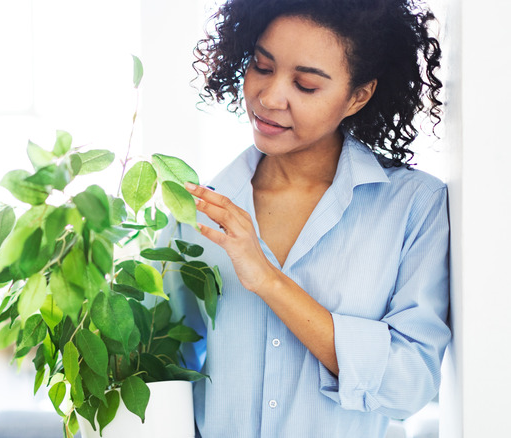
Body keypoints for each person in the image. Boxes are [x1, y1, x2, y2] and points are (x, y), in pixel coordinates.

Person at [162, 0, 450, 436]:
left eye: (306, 85)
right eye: (261, 66)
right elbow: (160, 366)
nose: (270, 97)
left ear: (359, 95)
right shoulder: (199, 210)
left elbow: (409, 384)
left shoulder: (415, 206)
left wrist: (267, 279)